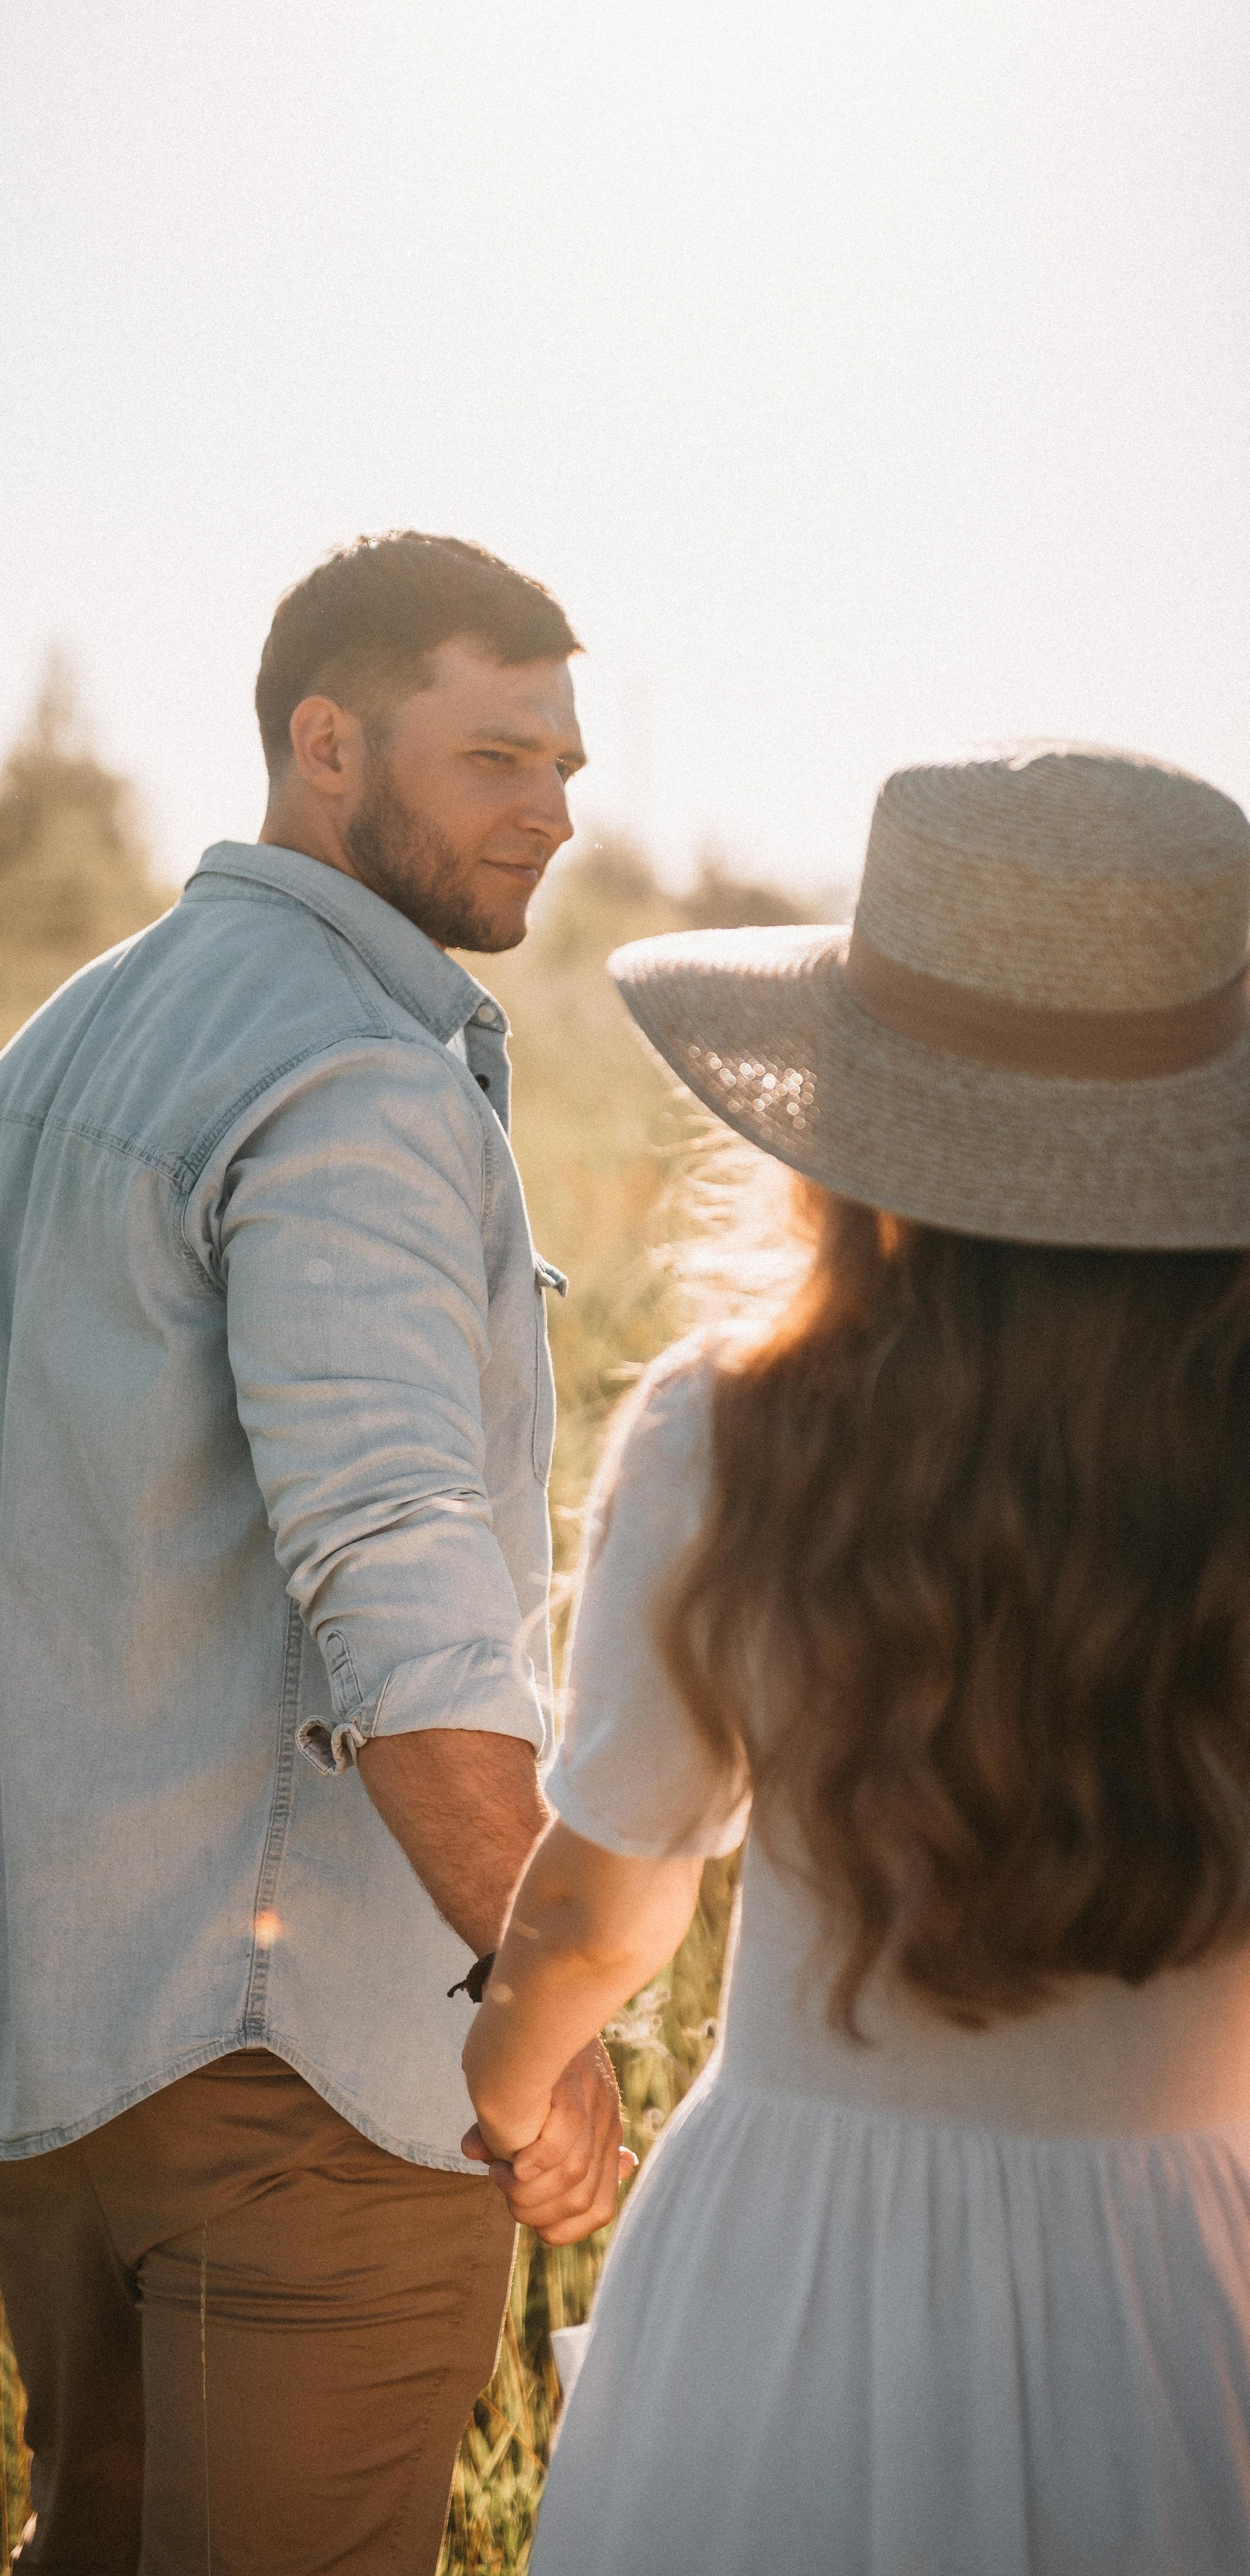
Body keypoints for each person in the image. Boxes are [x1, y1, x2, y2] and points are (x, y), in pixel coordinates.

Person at [0, 531, 630, 2575]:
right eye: (492, 756)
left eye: (565, 759)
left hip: (65, 2034)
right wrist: (547, 2013)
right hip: (302, 2082)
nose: (551, 807)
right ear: (325, 746)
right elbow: (397, 1560)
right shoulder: (361, 1074)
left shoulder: (58, 1052)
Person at [463, 744, 1250, 2573]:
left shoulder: (730, 1434)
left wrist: (505, 2079)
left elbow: (601, 1909)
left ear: (862, 1116)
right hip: (1190, 2268)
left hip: (801, 2260)